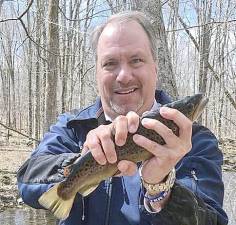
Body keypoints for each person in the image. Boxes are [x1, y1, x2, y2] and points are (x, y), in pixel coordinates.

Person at [17, 11, 228, 225]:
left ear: (155, 68)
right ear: (97, 73)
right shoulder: (73, 127)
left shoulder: (195, 140)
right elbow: (27, 178)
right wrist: (84, 162)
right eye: (110, 63)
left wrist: (161, 190)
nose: (124, 76)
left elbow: (211, 220)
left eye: (136, 60)